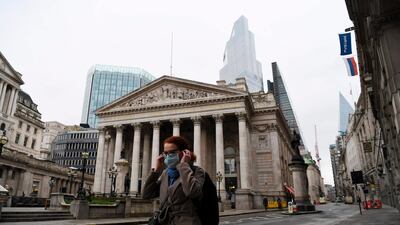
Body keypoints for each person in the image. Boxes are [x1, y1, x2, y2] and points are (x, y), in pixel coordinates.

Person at [142, 136, 205, 225]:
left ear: (184, 153)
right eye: (166, 153)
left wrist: (183, 165)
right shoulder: (165, 173)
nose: (168, 156)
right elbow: (146, 194)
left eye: (172, 152)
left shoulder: (196, 171)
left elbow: (192, 192)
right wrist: (156, 171)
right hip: (165, 221)